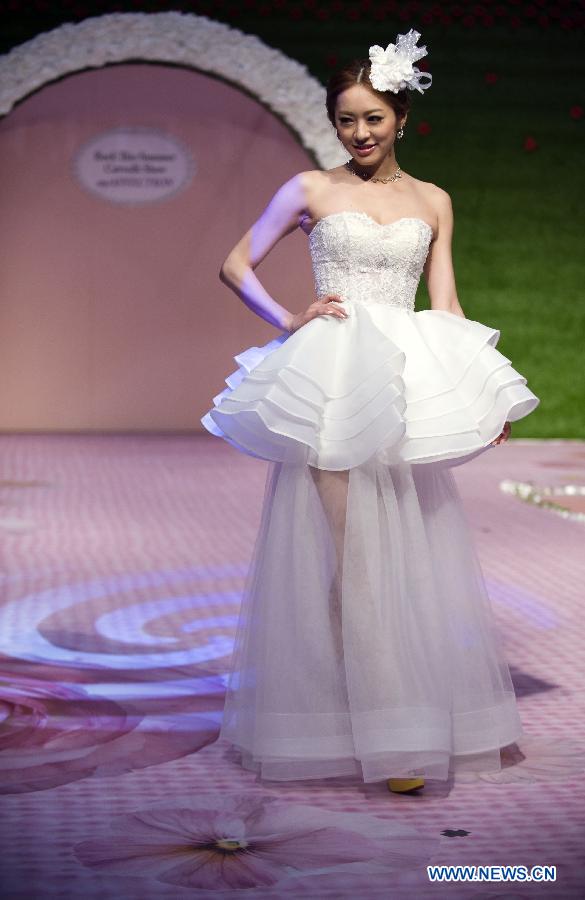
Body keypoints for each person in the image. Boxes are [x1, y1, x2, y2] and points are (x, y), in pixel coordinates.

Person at [201, 29, 539, 794]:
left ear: (401, 119)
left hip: (407, 379)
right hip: (332, 374)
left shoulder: (433, 200)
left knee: (404, 551)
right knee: (351, 552)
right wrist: (287, 320)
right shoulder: (310, 189)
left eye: (372, 119)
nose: (358, 133)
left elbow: (444, 302)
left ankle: (384, 708)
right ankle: (389, 732)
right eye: (346, 119)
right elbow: (234, 264)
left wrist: (479, 388)